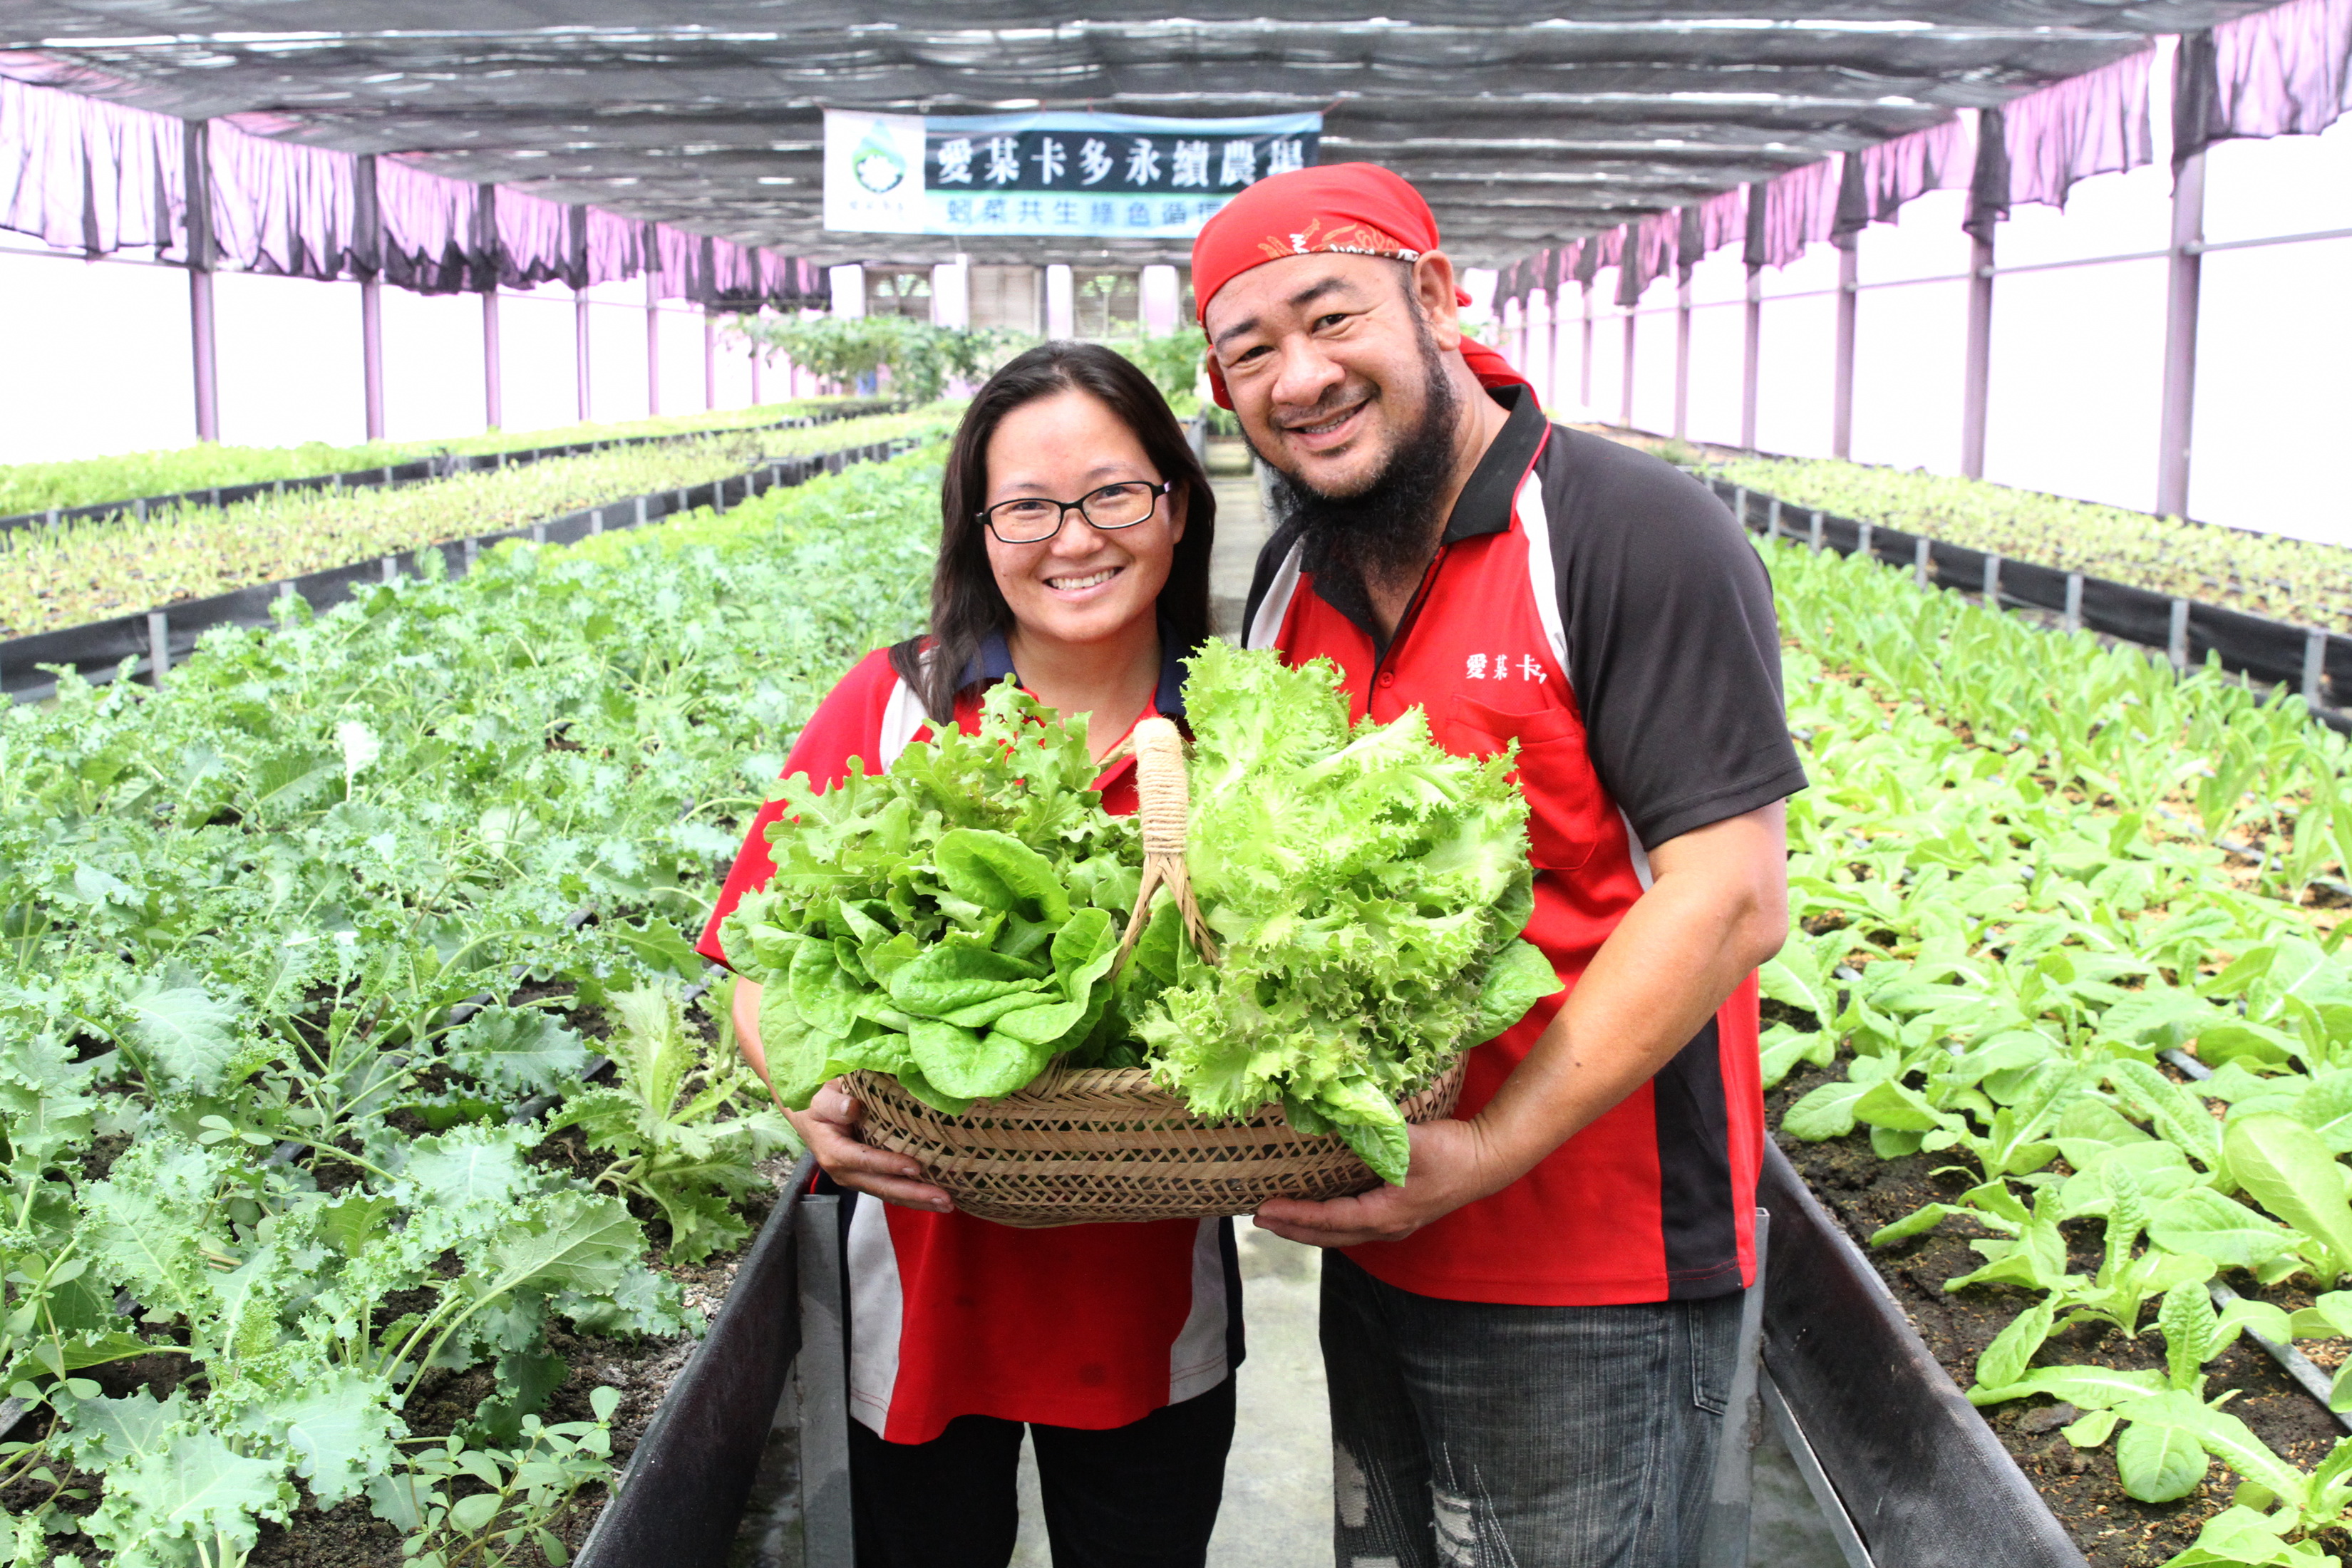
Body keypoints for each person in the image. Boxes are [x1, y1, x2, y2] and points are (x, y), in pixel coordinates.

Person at [1193, 165, 1807, 1567]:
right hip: (1386, 1231)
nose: (1301, 376)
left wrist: (1482, 1150)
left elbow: (1728, 895)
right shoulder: (1300, 578)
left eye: (1330, 316)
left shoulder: (1624, 532)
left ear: (1435, 296)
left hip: (1595, 1273)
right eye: (1251, 350)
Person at [696, 342, 1236, 1568]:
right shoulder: (895, 708)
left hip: (1153, 1292)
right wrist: (807, 1087)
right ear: (977, 529)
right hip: (918, 1286)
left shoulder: (1230, 726)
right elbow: (760, 955)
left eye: (1113, 494)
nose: (1074, 538)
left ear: (1178, 504)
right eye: (1027, 507)